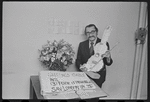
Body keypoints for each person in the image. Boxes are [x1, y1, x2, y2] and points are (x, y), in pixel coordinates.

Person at [75, 24, 113, 88]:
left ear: (97, 32)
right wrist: (82, 67)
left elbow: (108, 63)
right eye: (88, 32)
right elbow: (78, 60)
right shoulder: (82, 44)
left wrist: (108, 57)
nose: (90, 35)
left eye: (92, 32)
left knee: (96, 97)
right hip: (85, 77)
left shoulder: (104, 43)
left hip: (98, 77)